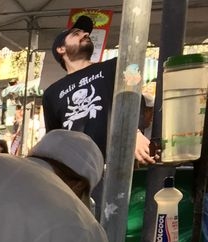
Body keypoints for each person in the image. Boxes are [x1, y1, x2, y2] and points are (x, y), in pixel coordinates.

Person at [43, 14, 155, 166]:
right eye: (76, 34)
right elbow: (54, 138)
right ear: (61, 49)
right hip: (77, 171)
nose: (85, 34)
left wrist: (133, 132)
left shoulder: (115, 66)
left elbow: (134, 95)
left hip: (116, 164)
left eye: (86, 33)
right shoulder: (52, 93)